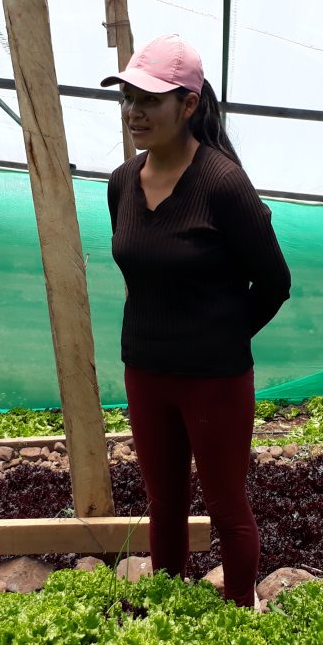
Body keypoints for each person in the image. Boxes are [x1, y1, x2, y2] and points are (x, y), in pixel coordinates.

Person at [101, 33, 291, 608]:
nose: (134, 112)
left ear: (188, 105)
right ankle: (169, 614)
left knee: (227, 507)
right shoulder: (121, 182)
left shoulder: (223, 184)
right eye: (128, 98)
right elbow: (143, 272)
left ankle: (239, 620)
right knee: (164, 505)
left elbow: (274, 282)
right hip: (145, 371)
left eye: (149, 100)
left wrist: (220, 338)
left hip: (214, 378)